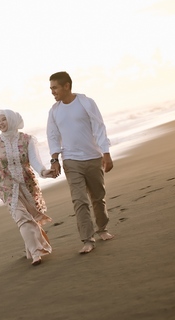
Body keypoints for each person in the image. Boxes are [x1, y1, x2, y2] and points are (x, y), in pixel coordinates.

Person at [46, 71, 114, 254]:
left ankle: (102, 228)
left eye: (55, 88)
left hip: (93, 157)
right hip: (71, 160)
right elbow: (53, 136)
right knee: (79, 200)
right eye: (51, 88)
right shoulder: (54, 111)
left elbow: (99, 128)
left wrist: (106, 153)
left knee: (98, 197)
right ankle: (87, 239)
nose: (52, 92)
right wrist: (55, 159)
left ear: (66, 86)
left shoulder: (86, 103)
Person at [0, 109, 55, 266]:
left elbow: (35, 161)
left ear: (11, 120)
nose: (1, 123)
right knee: (21, 216)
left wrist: (44, 172)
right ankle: (36, 253)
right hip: (6, 185)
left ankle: (30, 250)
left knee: (31, 216)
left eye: (3, 119)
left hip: (27, 183)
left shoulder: (27, 139)